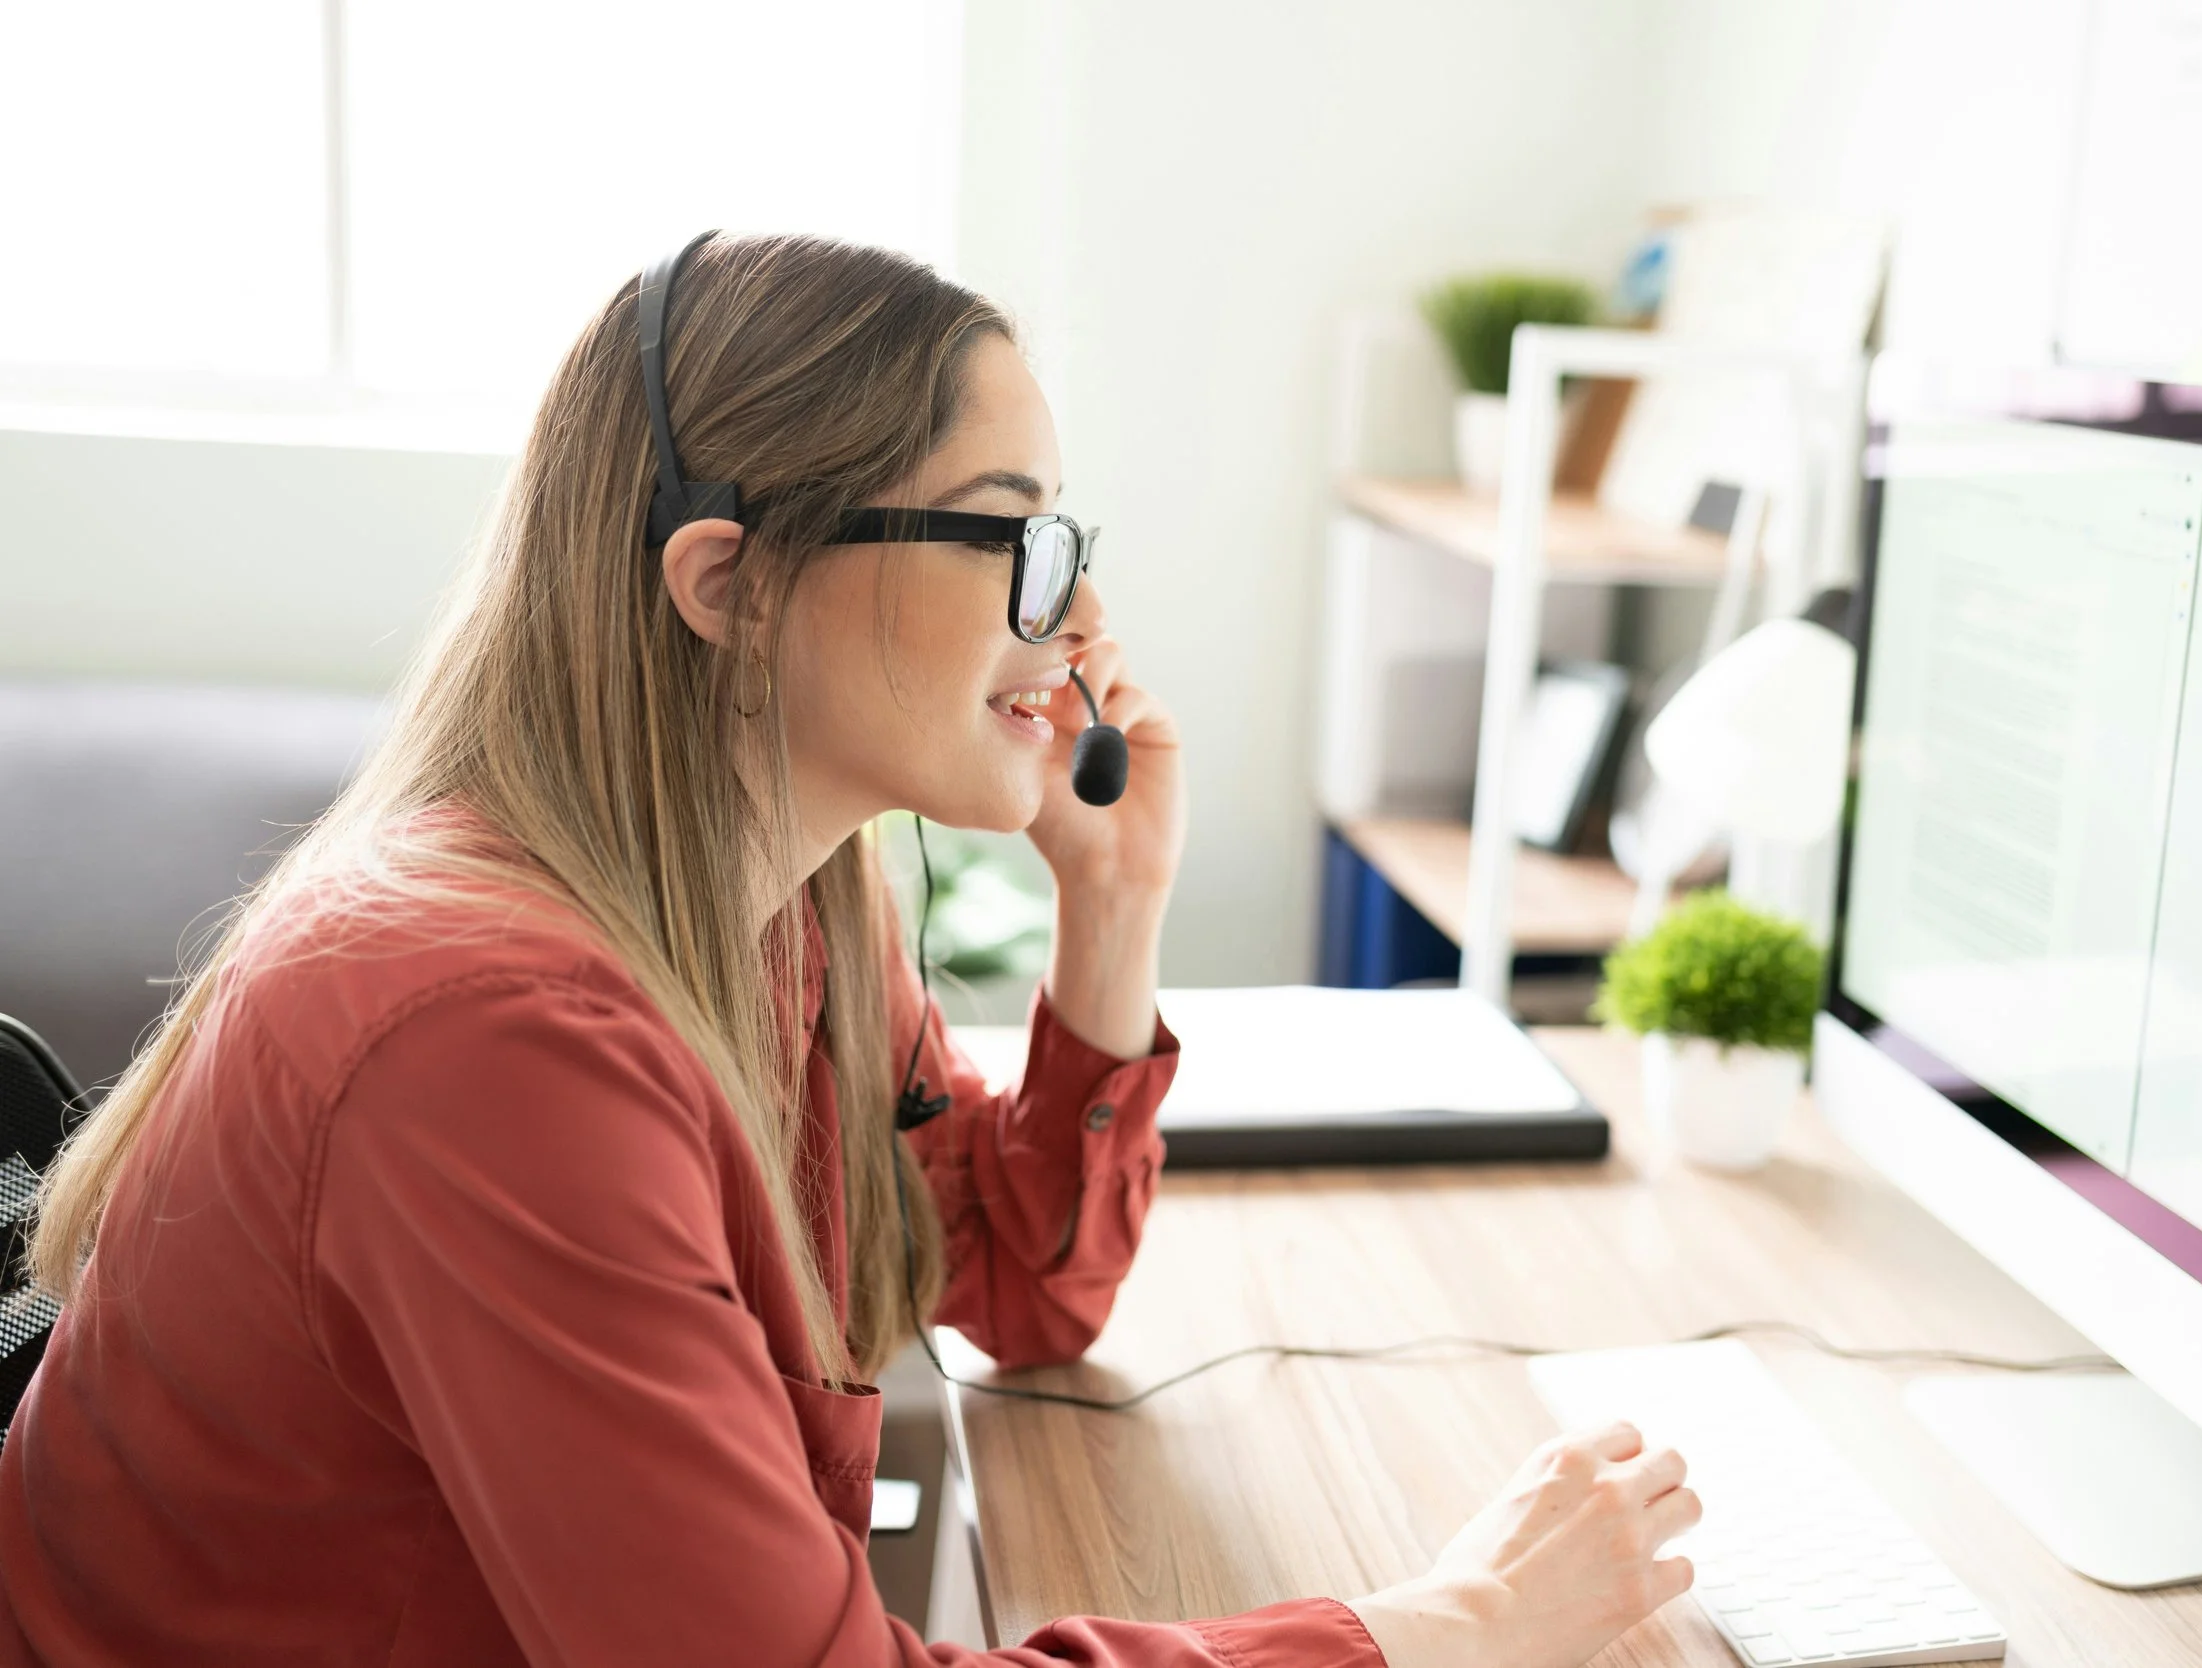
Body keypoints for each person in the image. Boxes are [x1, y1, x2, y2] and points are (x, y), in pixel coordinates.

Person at [2, 233, 1699, 1667]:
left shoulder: (793, 897)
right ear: (728, 581)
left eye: (1072, 545)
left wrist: (1110, 904)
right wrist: (1450, 1625)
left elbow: (1019, 1292)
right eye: (1012, 536)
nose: (1080, 623)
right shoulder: (481, 1038)